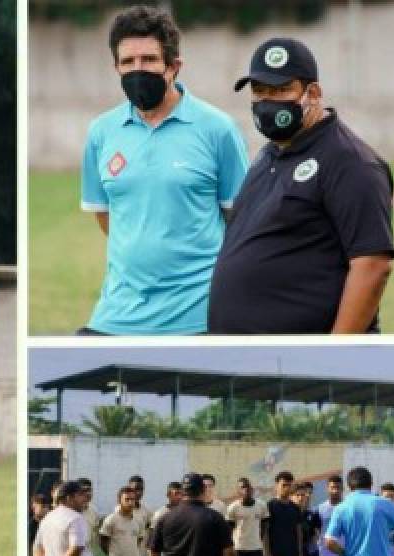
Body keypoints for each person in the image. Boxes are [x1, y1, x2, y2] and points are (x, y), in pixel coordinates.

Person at [79, 5, 249, 335]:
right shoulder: (101, 132)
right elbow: (106, 215)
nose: (137, 70)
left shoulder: (219, 130)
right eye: (127, 62)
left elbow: (241, 222)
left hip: (198, 316)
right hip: (117, 313)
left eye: (148, 60)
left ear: (174, 67)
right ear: (115, 66)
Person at [208, 37, 394, 334]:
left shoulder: (350, 162)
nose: (268, 101)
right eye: (260, 91)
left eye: (282, 90)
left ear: (313, 93)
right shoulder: (269, 152)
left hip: (303, 361)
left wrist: (334, 354)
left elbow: (372, 265)